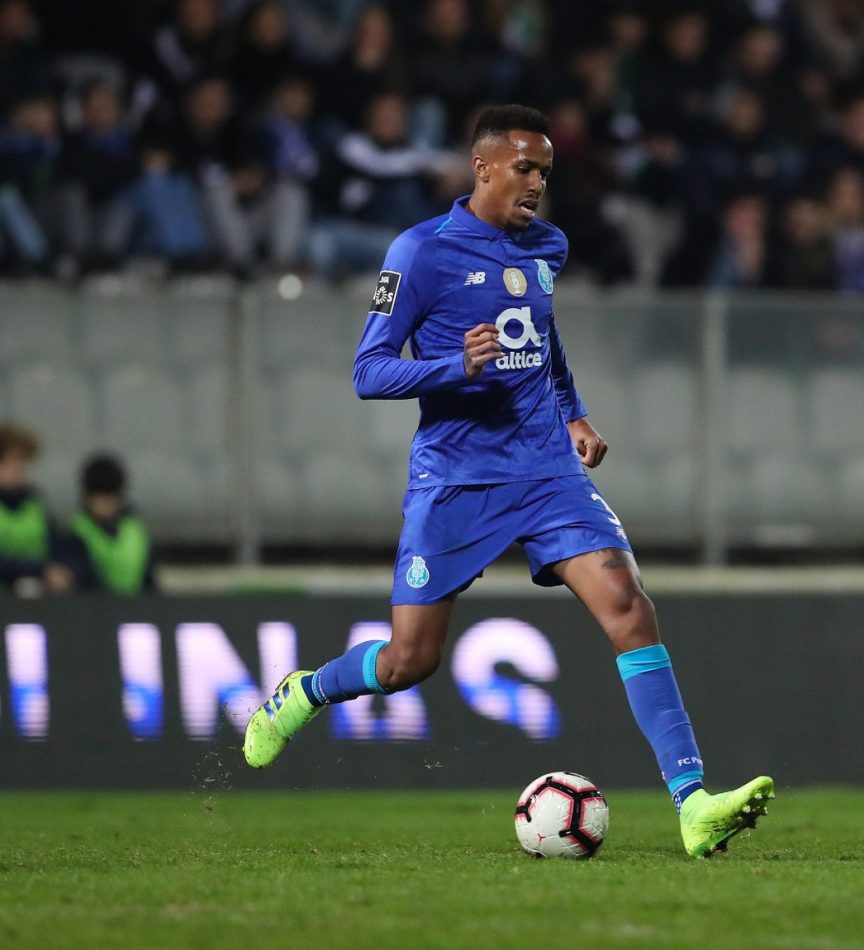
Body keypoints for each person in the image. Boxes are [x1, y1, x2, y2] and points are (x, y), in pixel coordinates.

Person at [244, 104, 774, 858]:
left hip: (546, 470)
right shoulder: (419, 251)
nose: (535, 184)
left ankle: (694, 806)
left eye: (545, 173)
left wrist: (573, 414)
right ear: (482, 167)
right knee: (408, 661)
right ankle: (304, 692)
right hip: (457, 478)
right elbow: (369, 370)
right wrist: (453, 366)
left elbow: (545, 341)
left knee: (629, 608)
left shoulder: (546, 246)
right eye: (524, 169)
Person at [57, 455, 157, 595]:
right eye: (99, 498)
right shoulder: (77, 532)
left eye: (109, 498)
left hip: (137, 605)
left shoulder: (134, 529)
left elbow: (149, 579)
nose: (104, 505)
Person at [0, 423, 64, 596]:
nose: (17, 468)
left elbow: (55, 546)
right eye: (8, 462)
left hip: (35, 596)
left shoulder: (36, 504)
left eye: (22, 460)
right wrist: (38, 570)